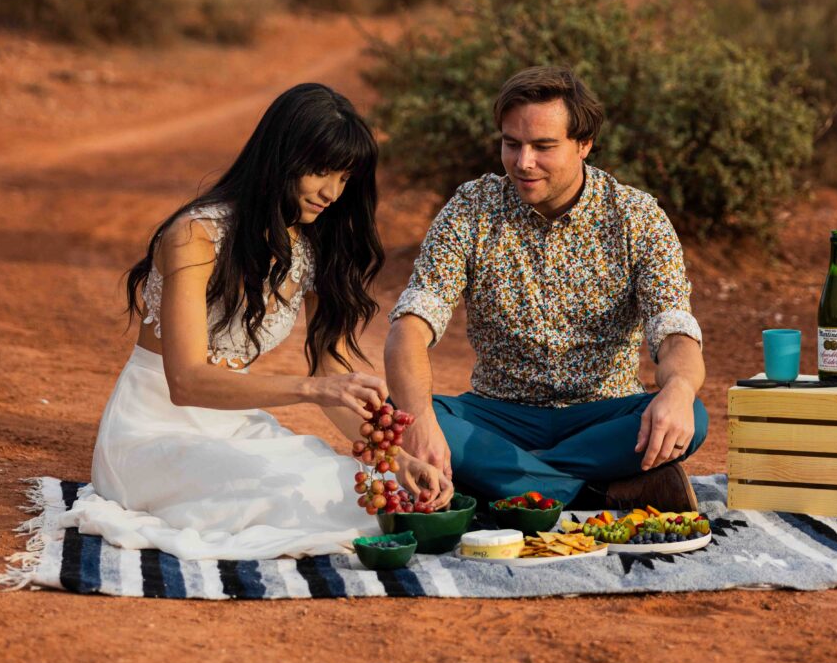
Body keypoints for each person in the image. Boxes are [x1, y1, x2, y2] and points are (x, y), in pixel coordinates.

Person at [61, 83, 452, 561]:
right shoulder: (194, 236)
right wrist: (310, 391)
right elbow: (185, 383)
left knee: (341, 491)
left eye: (344, 177)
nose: (332, 192)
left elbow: (333, 376)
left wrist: (397, 459)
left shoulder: (307, 248)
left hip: (236, 427)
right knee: (289, 496)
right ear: (281, 158)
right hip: (153, 433)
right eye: (320, 171)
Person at [384, 65, 708, 513]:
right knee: (396, 415)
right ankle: (596, 491)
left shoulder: (637, 217)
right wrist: (420, 420)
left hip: (605, 416)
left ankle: (498, 482)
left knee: (694, 415)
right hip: (497, 416)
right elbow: (410, 329)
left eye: (543, 146)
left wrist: (677, 392)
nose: (523, 162)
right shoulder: (470, 210)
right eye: (511, 144)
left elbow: (675, 334)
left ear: (584, 144)